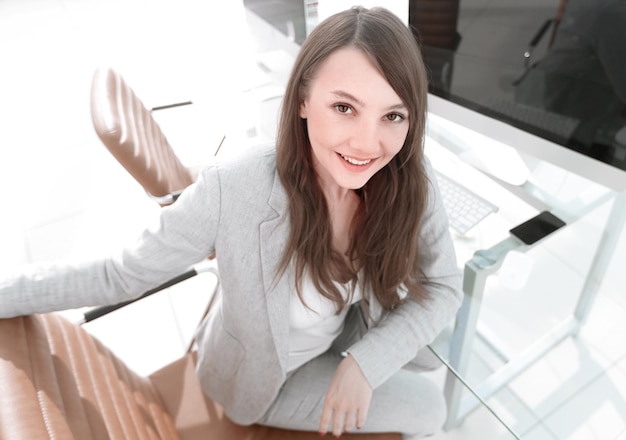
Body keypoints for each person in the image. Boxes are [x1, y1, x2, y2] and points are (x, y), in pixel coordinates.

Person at [0, 6, 462, 439]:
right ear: (302, 99)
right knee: (431, 407)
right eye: (344, 107)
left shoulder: (408, 177)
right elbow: (120, 274)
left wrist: (365, 363)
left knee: (432, 401)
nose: (368, 143)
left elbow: (443, 287)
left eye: (392, 116)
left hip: (340, 345)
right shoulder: (237, 185)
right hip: (258, 382)